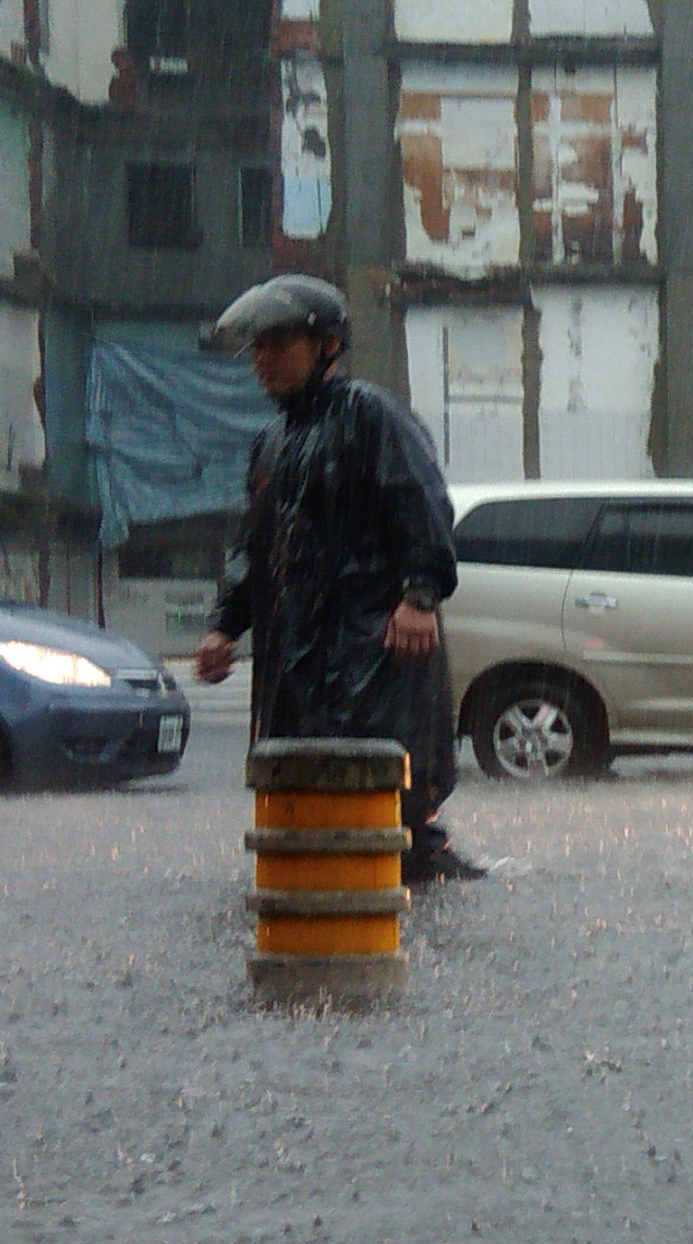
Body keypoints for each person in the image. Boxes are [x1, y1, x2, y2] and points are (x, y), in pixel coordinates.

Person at [193, 275, 483, 883]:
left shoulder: (370, 415)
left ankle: (414, 882)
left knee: (383, 786)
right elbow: (255, 546)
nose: (261, 359)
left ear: (326, 345)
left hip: (367, 647)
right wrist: (225, 625)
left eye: (277, 343)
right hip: (298, 653)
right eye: (256, 346)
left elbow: (421, 503)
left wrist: (420, 595)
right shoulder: (271, 443)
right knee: (309, 787)